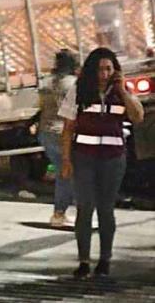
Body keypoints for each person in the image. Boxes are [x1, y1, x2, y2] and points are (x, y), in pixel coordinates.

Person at [60, 47, 144, 279]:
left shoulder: (121, 92)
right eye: (100, 69)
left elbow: (138, 116)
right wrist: (66, 160)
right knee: (85, 208)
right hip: (84, 158)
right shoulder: (78, 91)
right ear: (91, 71)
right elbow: (67, 129)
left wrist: (123, 90)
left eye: (109, 69)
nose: (104, 74)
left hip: (113, 159)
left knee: (106, 210)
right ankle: (84, 261)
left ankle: (104, 261)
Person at [38, 49, 78, 227]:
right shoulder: (73, 84)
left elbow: (40, 107)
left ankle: (59, 214)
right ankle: (75, 214)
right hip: (63, 134)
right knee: (76, 173)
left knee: (65, 173)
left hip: (46, 133)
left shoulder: (47, 84)